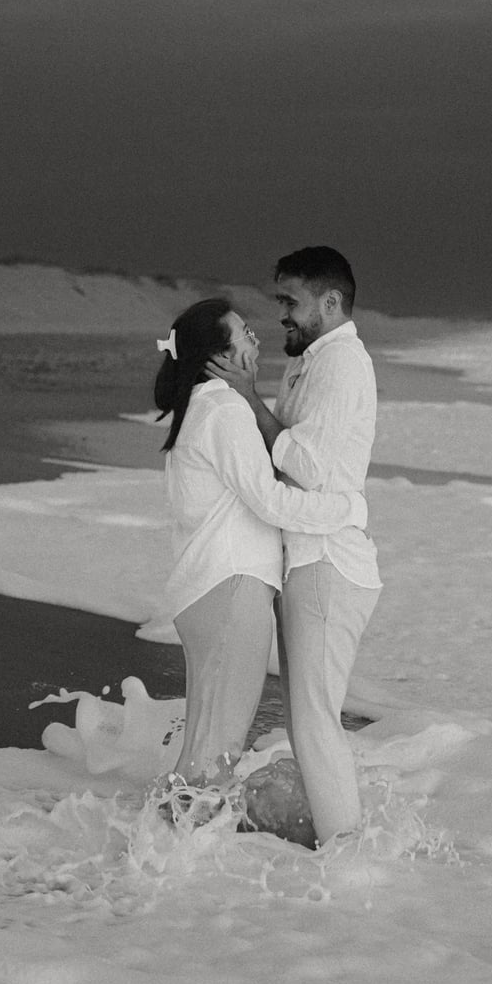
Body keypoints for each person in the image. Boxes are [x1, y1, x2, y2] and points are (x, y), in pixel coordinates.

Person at [153, 297, 368, 794]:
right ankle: (172, 858)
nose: (256, 338)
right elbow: (270, 501)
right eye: (244, 332)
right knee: (216, 750)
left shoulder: (202, 408)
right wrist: (348, 509)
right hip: (231, 591)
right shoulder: (223, 410)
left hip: (213, 590)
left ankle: (167, 851)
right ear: (221, 356)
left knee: (206, 744)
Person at [207, 246, 382, 844]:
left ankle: (347, 858)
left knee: (311, 722)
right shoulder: (313, 360)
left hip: (328, 562)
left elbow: (303, 464)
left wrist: (250, 398)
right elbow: (282, 458)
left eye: (291, 301)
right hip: (309, 557)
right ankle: (336, 837)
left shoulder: (341, 365)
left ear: (330, 303)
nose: (280, 313)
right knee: (311, 719)